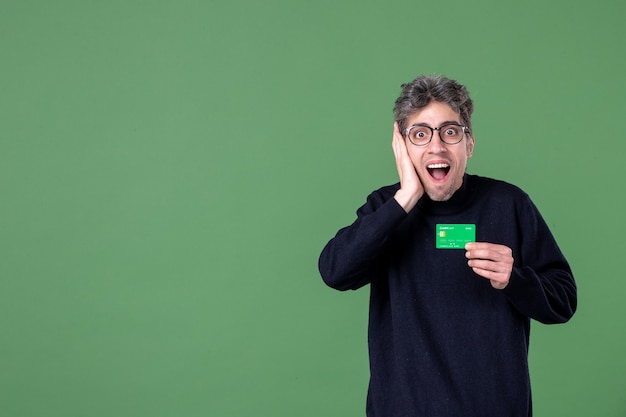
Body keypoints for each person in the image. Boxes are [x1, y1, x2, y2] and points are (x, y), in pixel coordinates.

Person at [318, 75, 577, 417]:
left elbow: (563, 301)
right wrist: (405, 199)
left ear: (468, 144)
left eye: (450, 132)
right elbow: (335, 271)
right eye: (420, 134)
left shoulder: (509, 204)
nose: (436, 147)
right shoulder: (386, 208)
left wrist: (515, 279)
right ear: (402, 147)